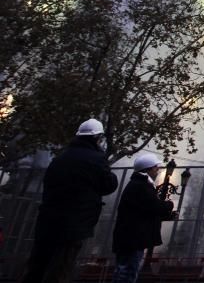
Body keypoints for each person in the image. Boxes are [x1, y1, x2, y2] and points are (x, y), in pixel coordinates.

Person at [21, 118, 119, 283]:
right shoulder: (96, 159)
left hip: (47, 220)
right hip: (74, 223)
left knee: (37, 266)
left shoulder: (60, 158)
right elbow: (108, 185)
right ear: (98, 138)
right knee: (61, 268)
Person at [110, 153, 175, 283]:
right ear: (149, 169)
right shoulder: (142, 186)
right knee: (128, 273)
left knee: (123, 271)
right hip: (133, 239)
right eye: (156, 168)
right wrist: (169, 205)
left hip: (129, 238)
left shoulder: (136, 184)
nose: (158, 171)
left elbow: (146, 209)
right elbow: (154, 206)